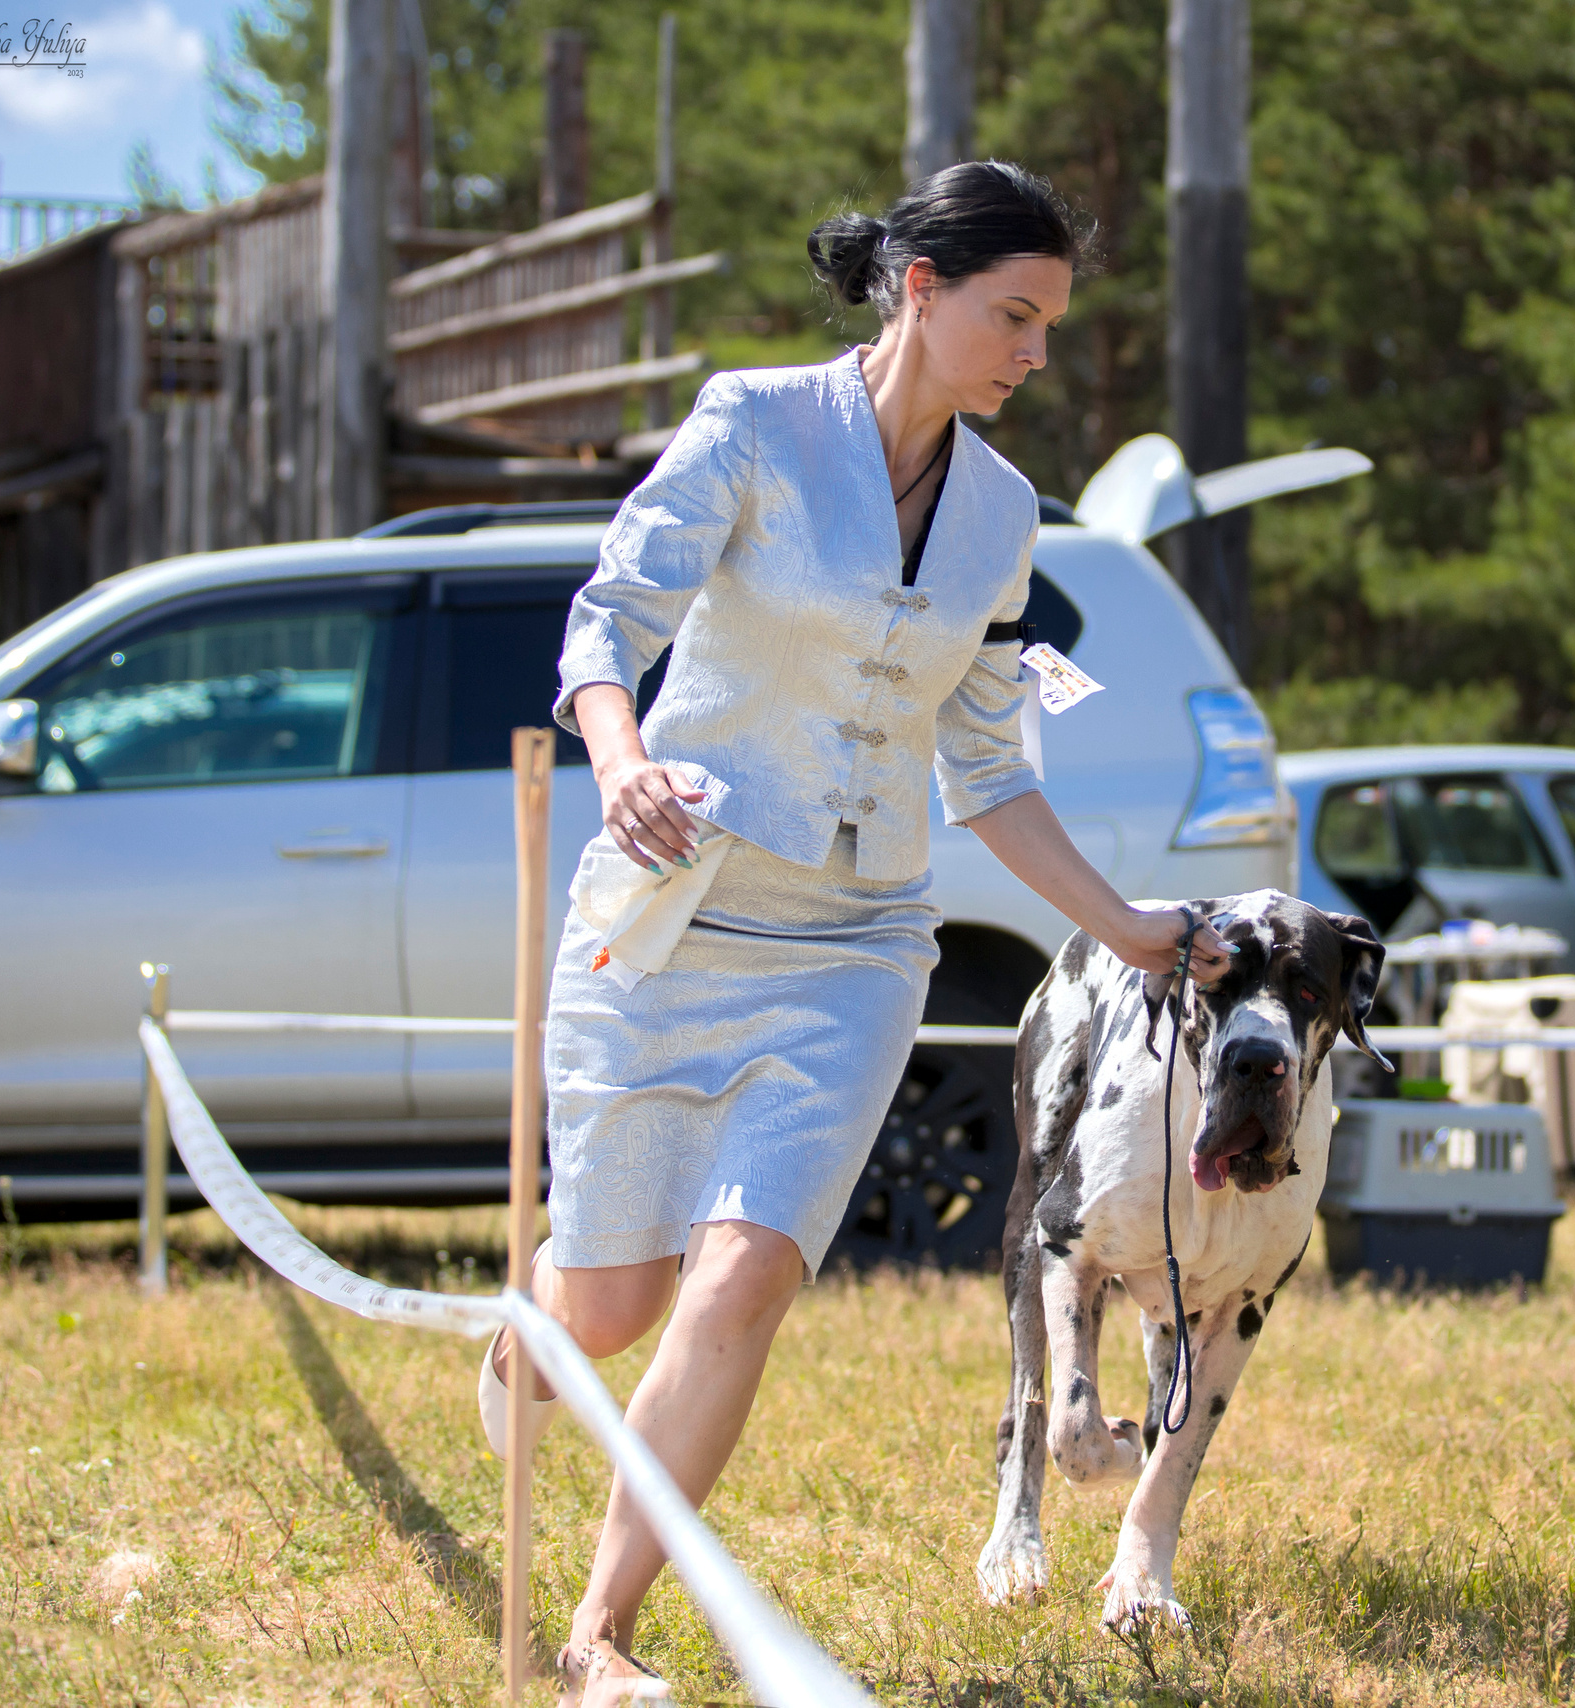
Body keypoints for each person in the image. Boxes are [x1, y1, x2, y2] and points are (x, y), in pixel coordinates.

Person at [476, 161, 1234, 1699]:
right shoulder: (754, 420)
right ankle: (527, 1331)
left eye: (1049, 327)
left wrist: (1133, 926)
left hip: (857, 945)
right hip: (674, 910)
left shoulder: (1008, 513)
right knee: (615, 1300)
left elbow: (987, 769)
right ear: (919, 290)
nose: (1034, 354)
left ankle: (598, 1634)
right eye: (1012, 318)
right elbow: (611, 618)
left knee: (747, 1275)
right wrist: (618, 760)